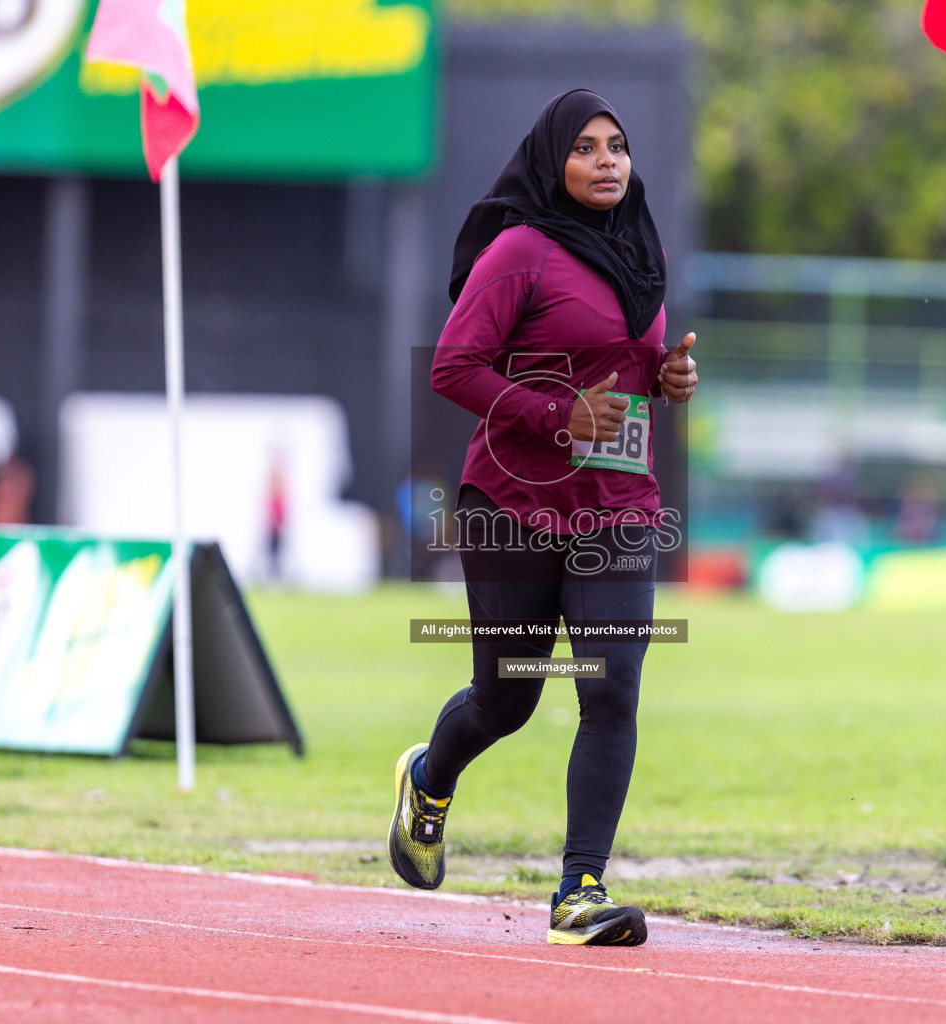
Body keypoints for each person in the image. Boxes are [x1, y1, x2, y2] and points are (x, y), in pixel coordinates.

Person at [387, 89, 698, 947]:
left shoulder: (639, 251)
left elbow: (622, 378)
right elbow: (455, 366)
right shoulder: (519, 250)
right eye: (587, 148)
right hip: (516, 503)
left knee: (612, 692)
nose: (608, 162)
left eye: (619, 147)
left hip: (617, 508)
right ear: (551, 163)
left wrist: (664, 382)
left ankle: (578, 890)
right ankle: (430, 775)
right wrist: (556, 416)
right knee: (508, 698)